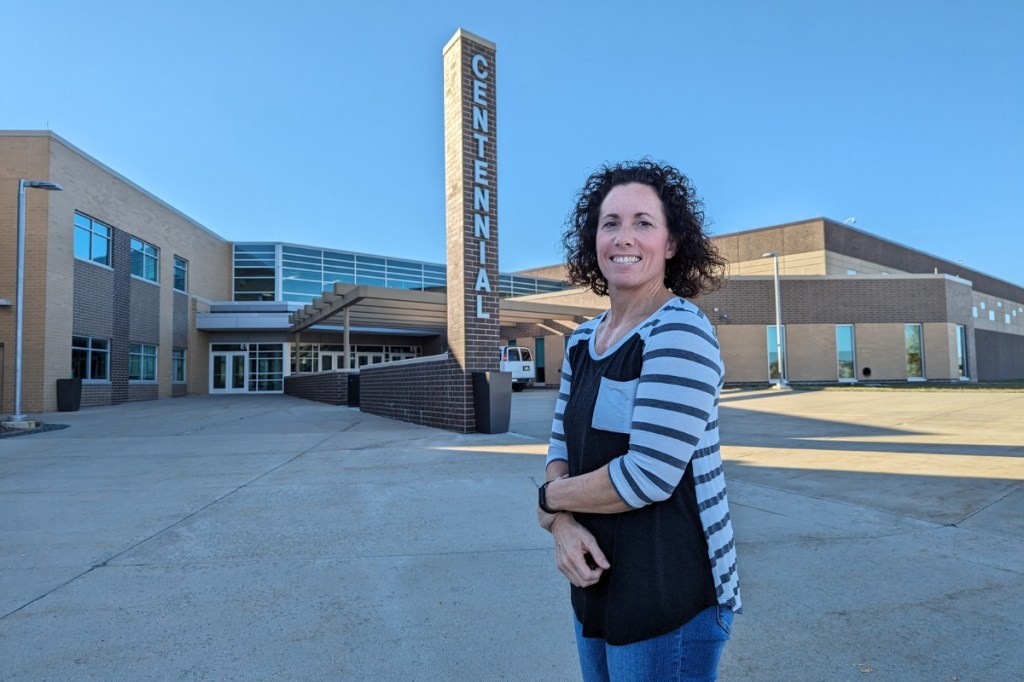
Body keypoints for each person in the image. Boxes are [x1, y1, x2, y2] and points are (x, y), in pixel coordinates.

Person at [537, 160, 741, 681]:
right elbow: (560, 447)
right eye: (611, 223)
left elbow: (648, 475)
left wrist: (547, 501)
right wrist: (561, 526)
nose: (624, 237)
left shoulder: (680, 332)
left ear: (671, 244)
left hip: (668, 595)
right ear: (593, 240)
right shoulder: (582, 340)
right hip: (594, 584)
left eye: (643, 222)